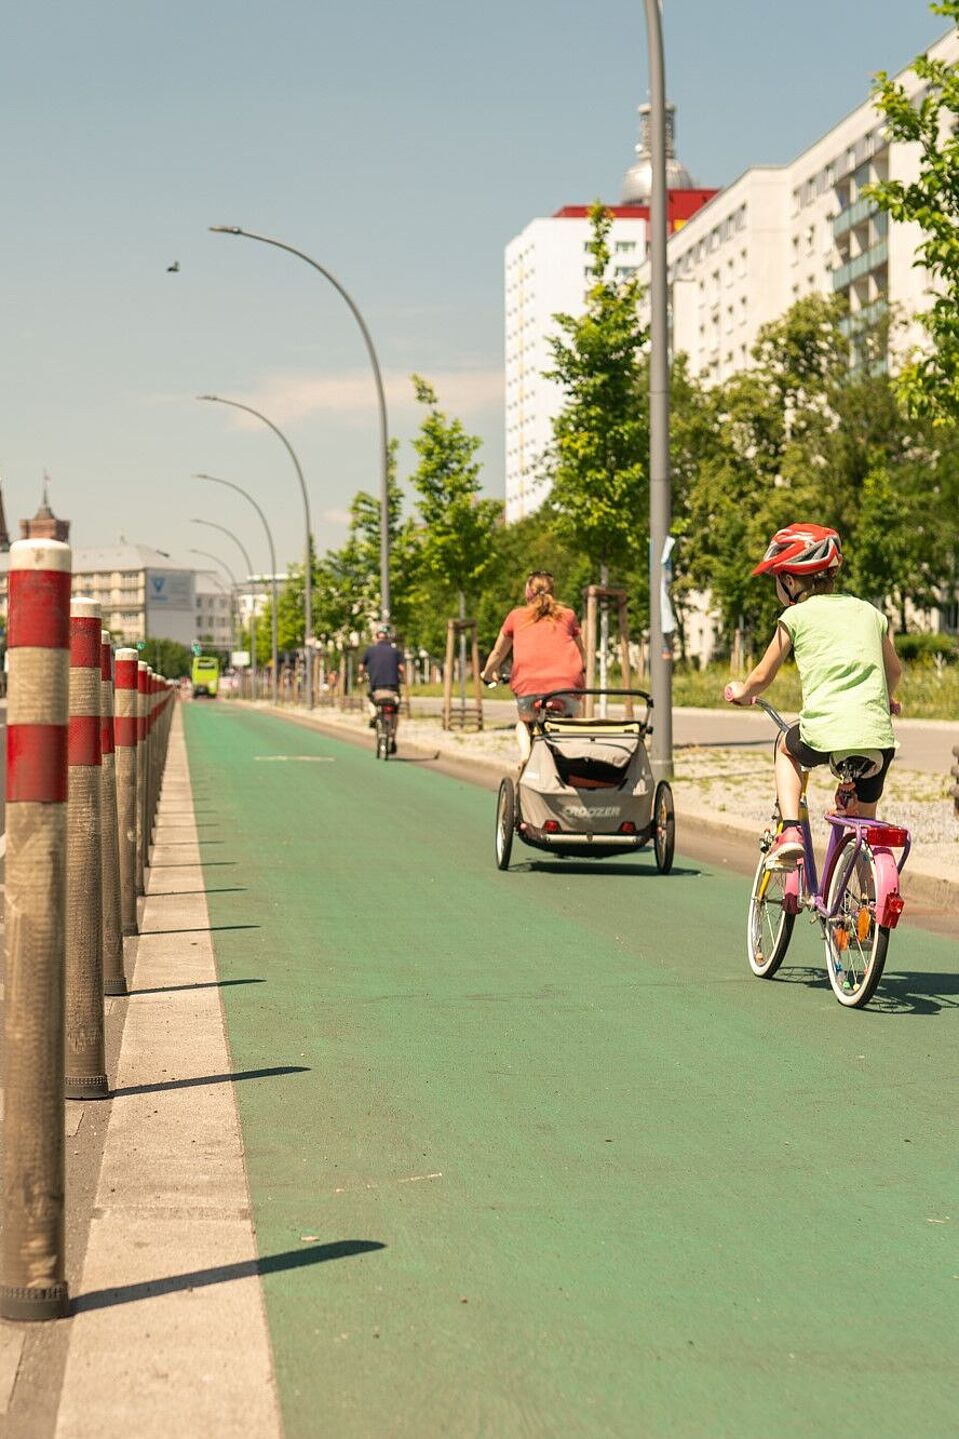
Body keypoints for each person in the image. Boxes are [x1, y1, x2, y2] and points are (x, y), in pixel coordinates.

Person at [725, 523, 901, 869]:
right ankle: (867, 886)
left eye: (777, 579)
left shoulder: (795, 616)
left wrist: (741, 691)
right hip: (879, 741)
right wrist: (886, 700)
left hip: (824, 735)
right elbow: (894, 671)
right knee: (865, 823)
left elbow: (762, 676)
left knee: (785, 747)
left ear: (790, 582)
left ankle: (791, 831)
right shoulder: (869, 612)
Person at [481, 571, 586, 724]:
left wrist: (488, 675)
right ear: (553, 592)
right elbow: (581, 651)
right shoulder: (568, 615)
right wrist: (582, 671)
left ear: (527, 594)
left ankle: (525, 740)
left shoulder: (515, 616)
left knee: (524, 725)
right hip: (567, 689)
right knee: (572, 725)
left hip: (528, 689)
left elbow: (497, 653)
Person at [359, 624, 405, 751]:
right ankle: (392, 737)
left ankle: (374, 715)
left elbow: (361, 667)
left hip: (376, 688)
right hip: (392, 688)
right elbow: (402, 668)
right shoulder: (396, 652)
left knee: (372, 700)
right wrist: (403, 679)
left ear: (376, 637)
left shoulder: (370, 651)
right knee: (394, 712)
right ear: (389, 638)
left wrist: (361, 677)